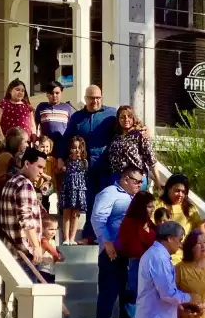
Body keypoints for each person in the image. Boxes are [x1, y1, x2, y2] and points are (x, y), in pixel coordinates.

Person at [89, 166, 143, 318]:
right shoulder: (110, 193)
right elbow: (98, 218)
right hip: (112, 252)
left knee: (129, 293)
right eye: (136, 181)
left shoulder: (137, 199)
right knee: (108, 293)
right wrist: (106, 242)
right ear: (125, 179)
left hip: (132, 254)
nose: (139, 185)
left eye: (141, 182)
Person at [60, 85, 117, 242]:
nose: (95, 101)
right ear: (85, 99)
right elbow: (67, 139)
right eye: (91, 98)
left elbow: (129, 124)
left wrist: (143, 129)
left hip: (106, 166)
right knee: (89, 201)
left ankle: (105, 235)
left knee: (105, 201)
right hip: (84, 168)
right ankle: (89, 236)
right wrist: (60, 157)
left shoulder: (111, 114)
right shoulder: (77, 117)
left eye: (98, 98)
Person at [117, 191, 158, 318]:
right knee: (134, 298)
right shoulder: (130, 222)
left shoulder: (151, 224)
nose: (151, 210)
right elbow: (129, 247)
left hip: (151, 267)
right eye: (148, 207)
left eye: (153, 207)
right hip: (135, 264)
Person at [0, 148, 47, 279]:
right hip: (24, 255)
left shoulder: (11, 182)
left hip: (12, 252)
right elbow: (25, 219)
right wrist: (36, 247)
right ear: (27, 164)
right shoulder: (24, 185)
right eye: (39, 167)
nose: (42, 172)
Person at [0, 128, 29, 226]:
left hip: (7, 207)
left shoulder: (15, 158)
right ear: (17, 142)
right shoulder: (5, 156)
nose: (27, 145)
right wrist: (19, 175)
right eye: (25, 142)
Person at [107, 105, 157, 186]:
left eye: (129, 116)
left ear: (133, 118)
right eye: (122, 117)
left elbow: (152, 160)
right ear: (118, 120)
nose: (126, 119)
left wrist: (158, 182)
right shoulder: (116, 137)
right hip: (117, 178)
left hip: (135, 178)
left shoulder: (140, 135)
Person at [160, 174, 203, 265]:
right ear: (168, 189)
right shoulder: (158, 205)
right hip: (161, 257)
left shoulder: (190, 209)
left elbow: (198, 232)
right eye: (177, 191)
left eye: (183, 192)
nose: (180, 195)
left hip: (183, 259)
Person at [59, 136, 88, 245]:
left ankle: (72, 238)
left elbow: (86, 177)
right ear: (70, 149)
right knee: (66, 214)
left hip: (79, 190)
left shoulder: (84, 162)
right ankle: (66, 238)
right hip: (68, 189)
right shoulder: (67, 162)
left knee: (75, 215)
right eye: (74, 147)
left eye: (79, 148)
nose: (76, 150)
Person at [0, 79, 34, 148]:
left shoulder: (28, 106)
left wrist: (34, 138)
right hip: (9, 144)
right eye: (17, 90)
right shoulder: (3, 104)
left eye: (22, 91)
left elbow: (32, 125)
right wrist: (3, 140)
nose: (20, 92)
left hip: (26, 144)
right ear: (10, 91)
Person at [35, 81, 74, 153]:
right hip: (46, 146)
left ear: (61, 93)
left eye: (57, 93)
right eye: (51, 93)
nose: (54, 95)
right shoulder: (41, 106)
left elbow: (72, 126)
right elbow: (35, 125)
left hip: (62, 144)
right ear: (46, 94)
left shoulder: (67, 107)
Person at [37, 216, 63, 283]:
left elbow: (58, 255)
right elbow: (55, 255)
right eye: (51, 229)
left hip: (51, 271)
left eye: (55, 229)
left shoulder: (52, 241)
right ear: (42, 229)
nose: (53, 232)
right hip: (43, 270)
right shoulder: (42, 241)